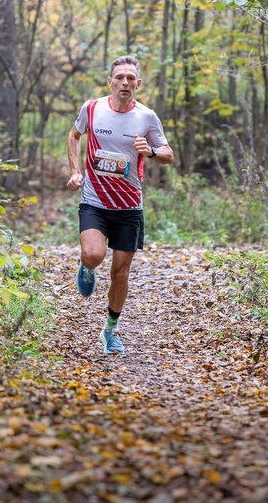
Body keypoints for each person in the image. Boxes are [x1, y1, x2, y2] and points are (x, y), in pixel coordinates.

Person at [66, 55, 173, 354]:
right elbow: (74, 136)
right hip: (95, 200)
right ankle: (86, 267)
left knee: (121, 273)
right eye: (119, 77)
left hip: (129, 206)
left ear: (138, 84)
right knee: (93, 255)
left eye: (130, 78)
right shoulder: (92, 108)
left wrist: (150, 151)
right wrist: (75, 171)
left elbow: (168, 154)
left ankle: (110, 331)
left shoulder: (147, 117)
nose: (124, 82)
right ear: (110, 82)